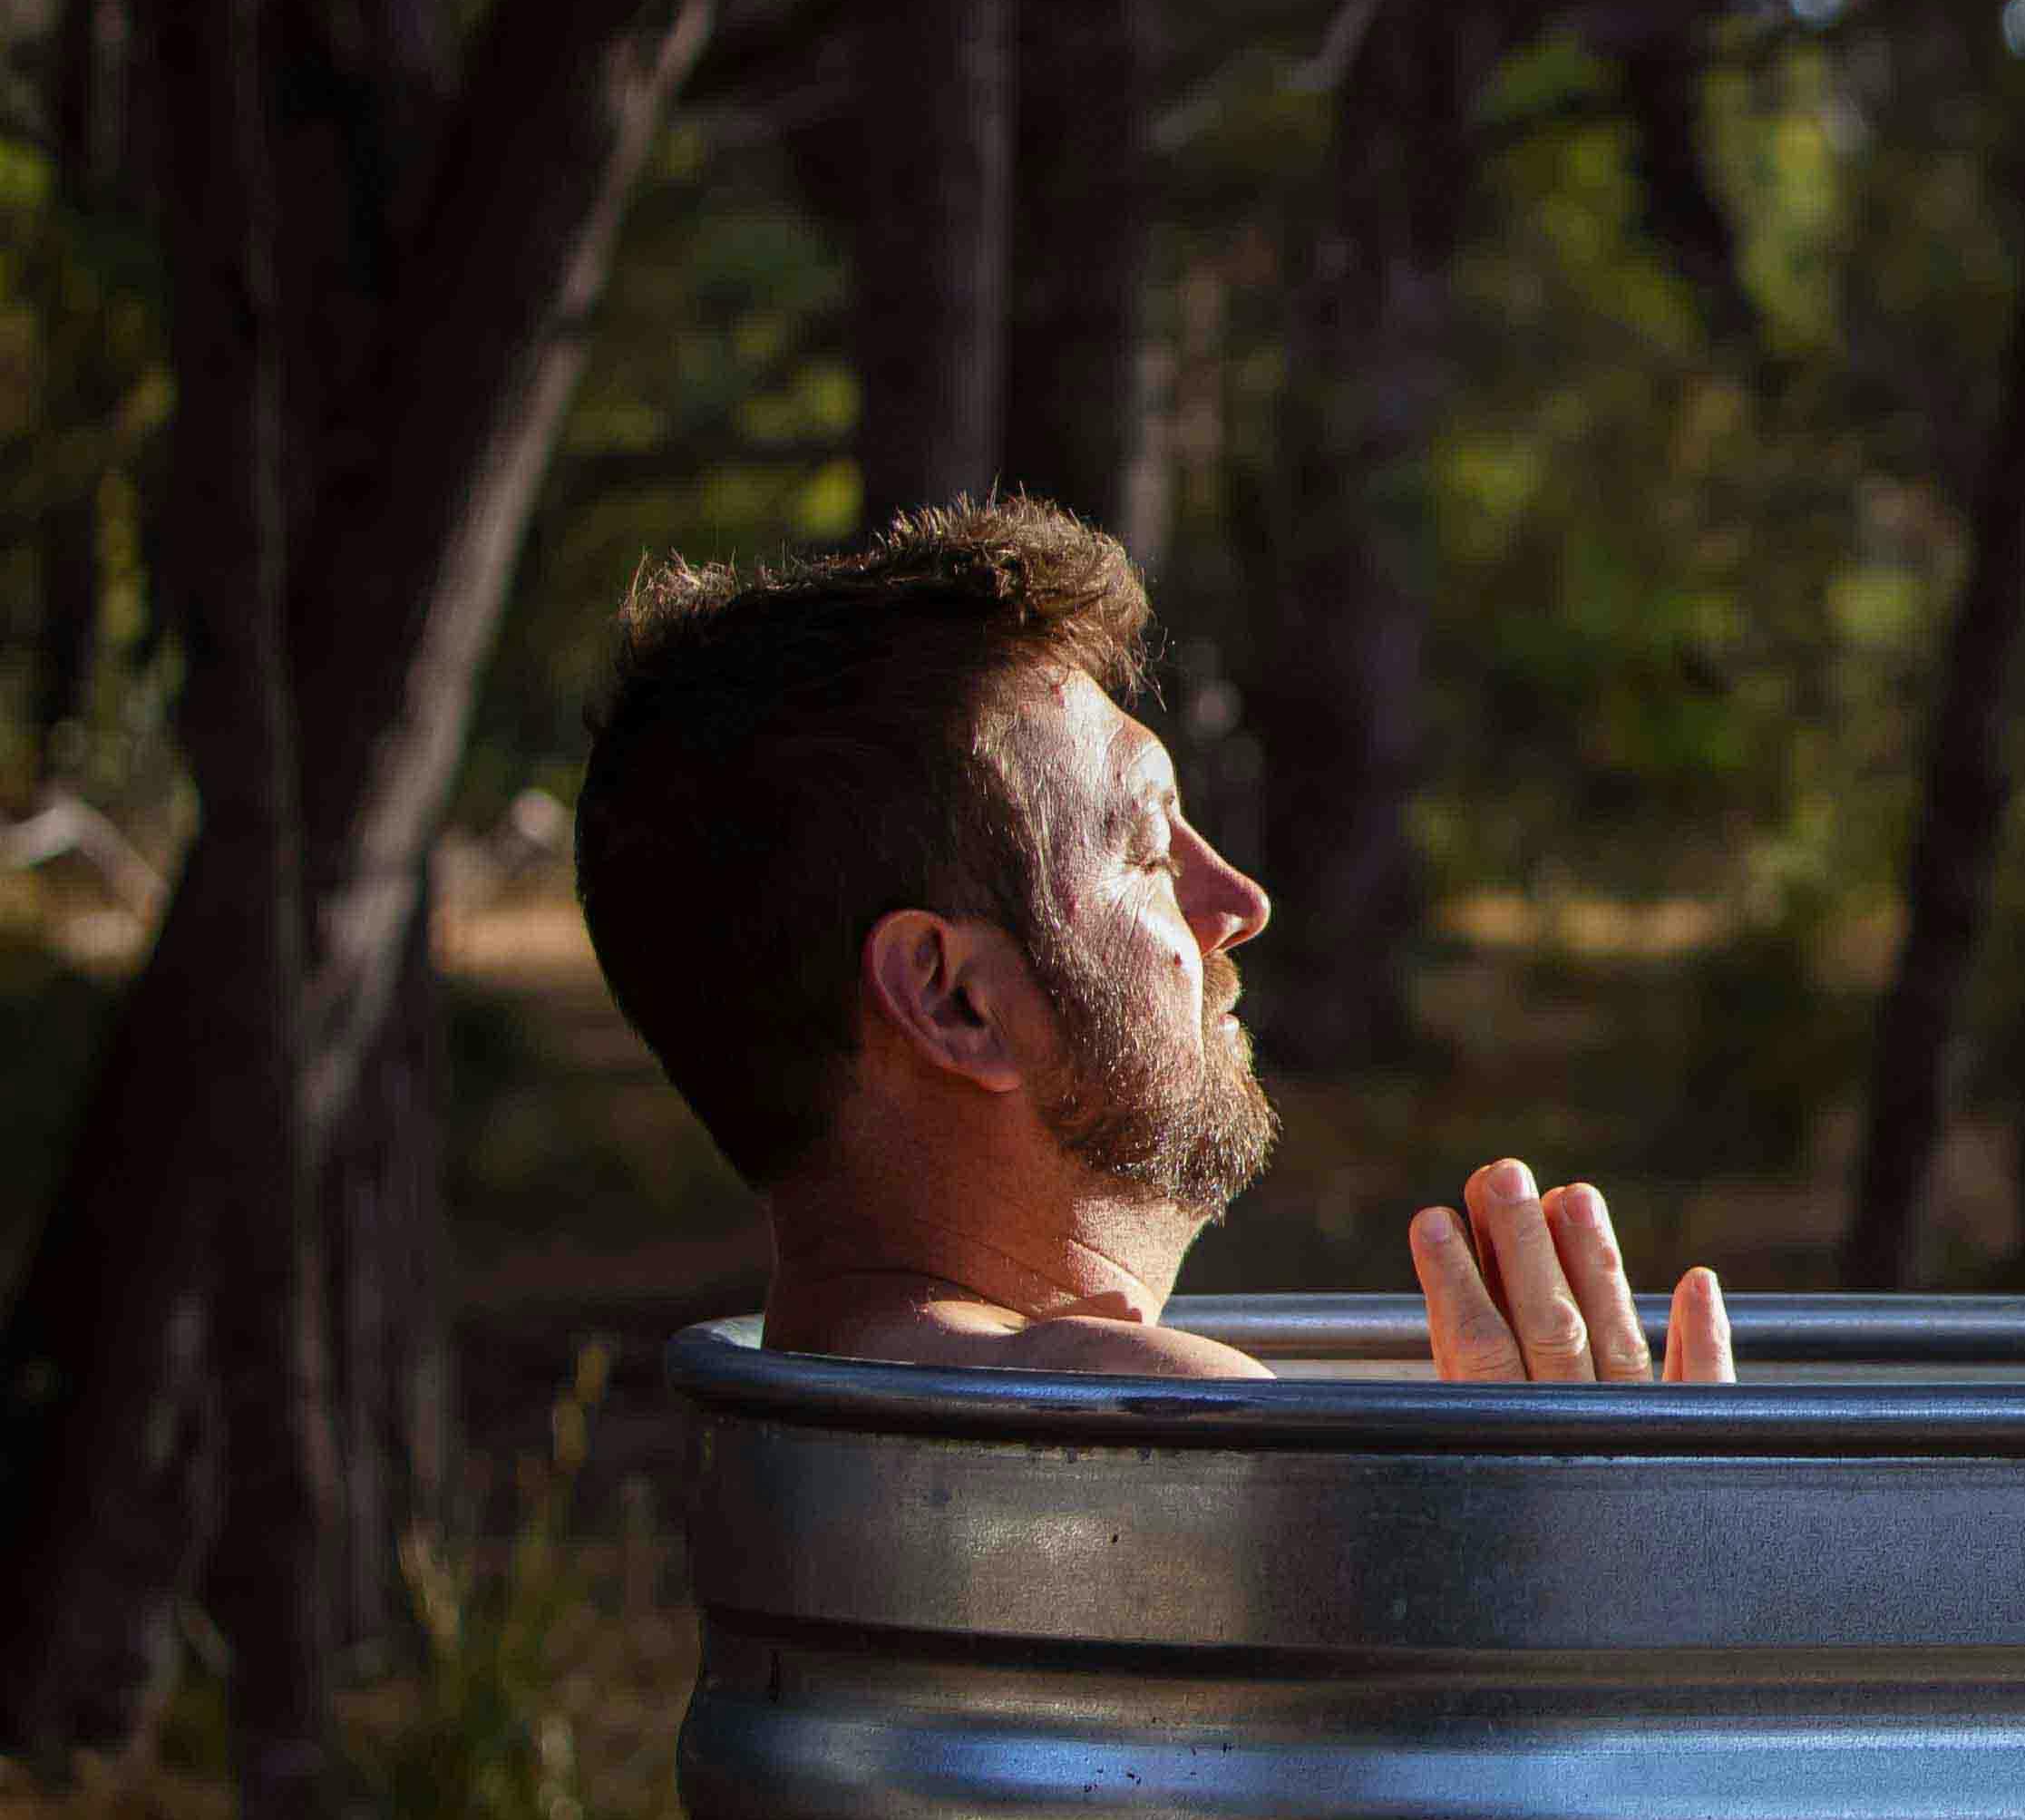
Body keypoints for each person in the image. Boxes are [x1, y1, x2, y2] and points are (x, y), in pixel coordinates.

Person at [571, 501, 1729, 1384]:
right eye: (1142, 846)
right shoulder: (1141, 1416)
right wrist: (1617, 1523)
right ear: (952, 1000)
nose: (1236, 899)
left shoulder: (798, 1406)